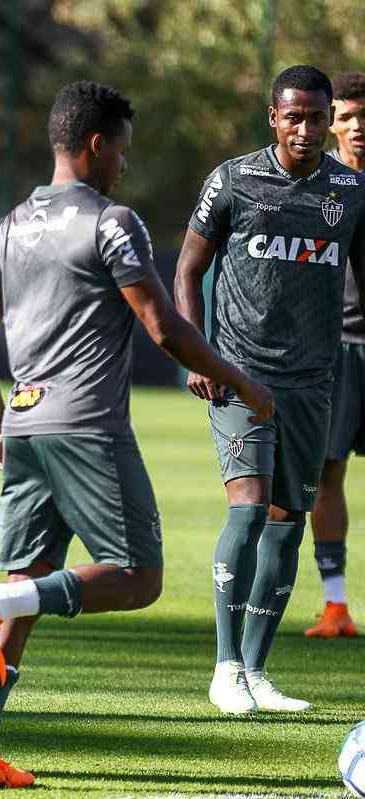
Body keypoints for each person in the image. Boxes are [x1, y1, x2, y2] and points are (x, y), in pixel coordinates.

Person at [0, 80, 272, 788]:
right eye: (122, 151)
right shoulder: (112, 222)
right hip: (89, 426)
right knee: (138, 577)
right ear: (97, 145)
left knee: (30, 585)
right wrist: (243, 382)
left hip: (29, 429)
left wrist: (3, 426)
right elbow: (163, 327)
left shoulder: (5, 228)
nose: (125, 165)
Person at [177, 65, 365, 714]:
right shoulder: (233, 180)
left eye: (317, 117)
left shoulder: (350, 190)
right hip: (239, 372)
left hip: (314, 381)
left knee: (290, 523)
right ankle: (225, 665)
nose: (307, 129)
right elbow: (188, 268)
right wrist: (197, 352)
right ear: (273, 117)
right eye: (295, 116)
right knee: (249, 508)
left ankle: (257, 670)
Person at [307, 71, 365, 639]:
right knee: (328, 474)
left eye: (363, 115)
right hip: (337, 350)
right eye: (345, 116)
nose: (357, 126)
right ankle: (335, 604)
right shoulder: (318, 184)